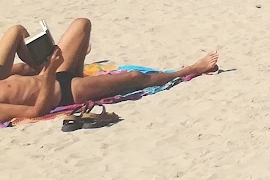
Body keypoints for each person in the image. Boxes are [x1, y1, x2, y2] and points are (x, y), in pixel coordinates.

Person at [0, 18, 218, 122]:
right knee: (134, 77)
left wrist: (44, 63)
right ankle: (190, 69)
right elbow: (37, 111)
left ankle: (76, 62)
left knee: (81, 24)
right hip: (63, 92)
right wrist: (48, 74)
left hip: (54, 75)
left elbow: (19, 71)